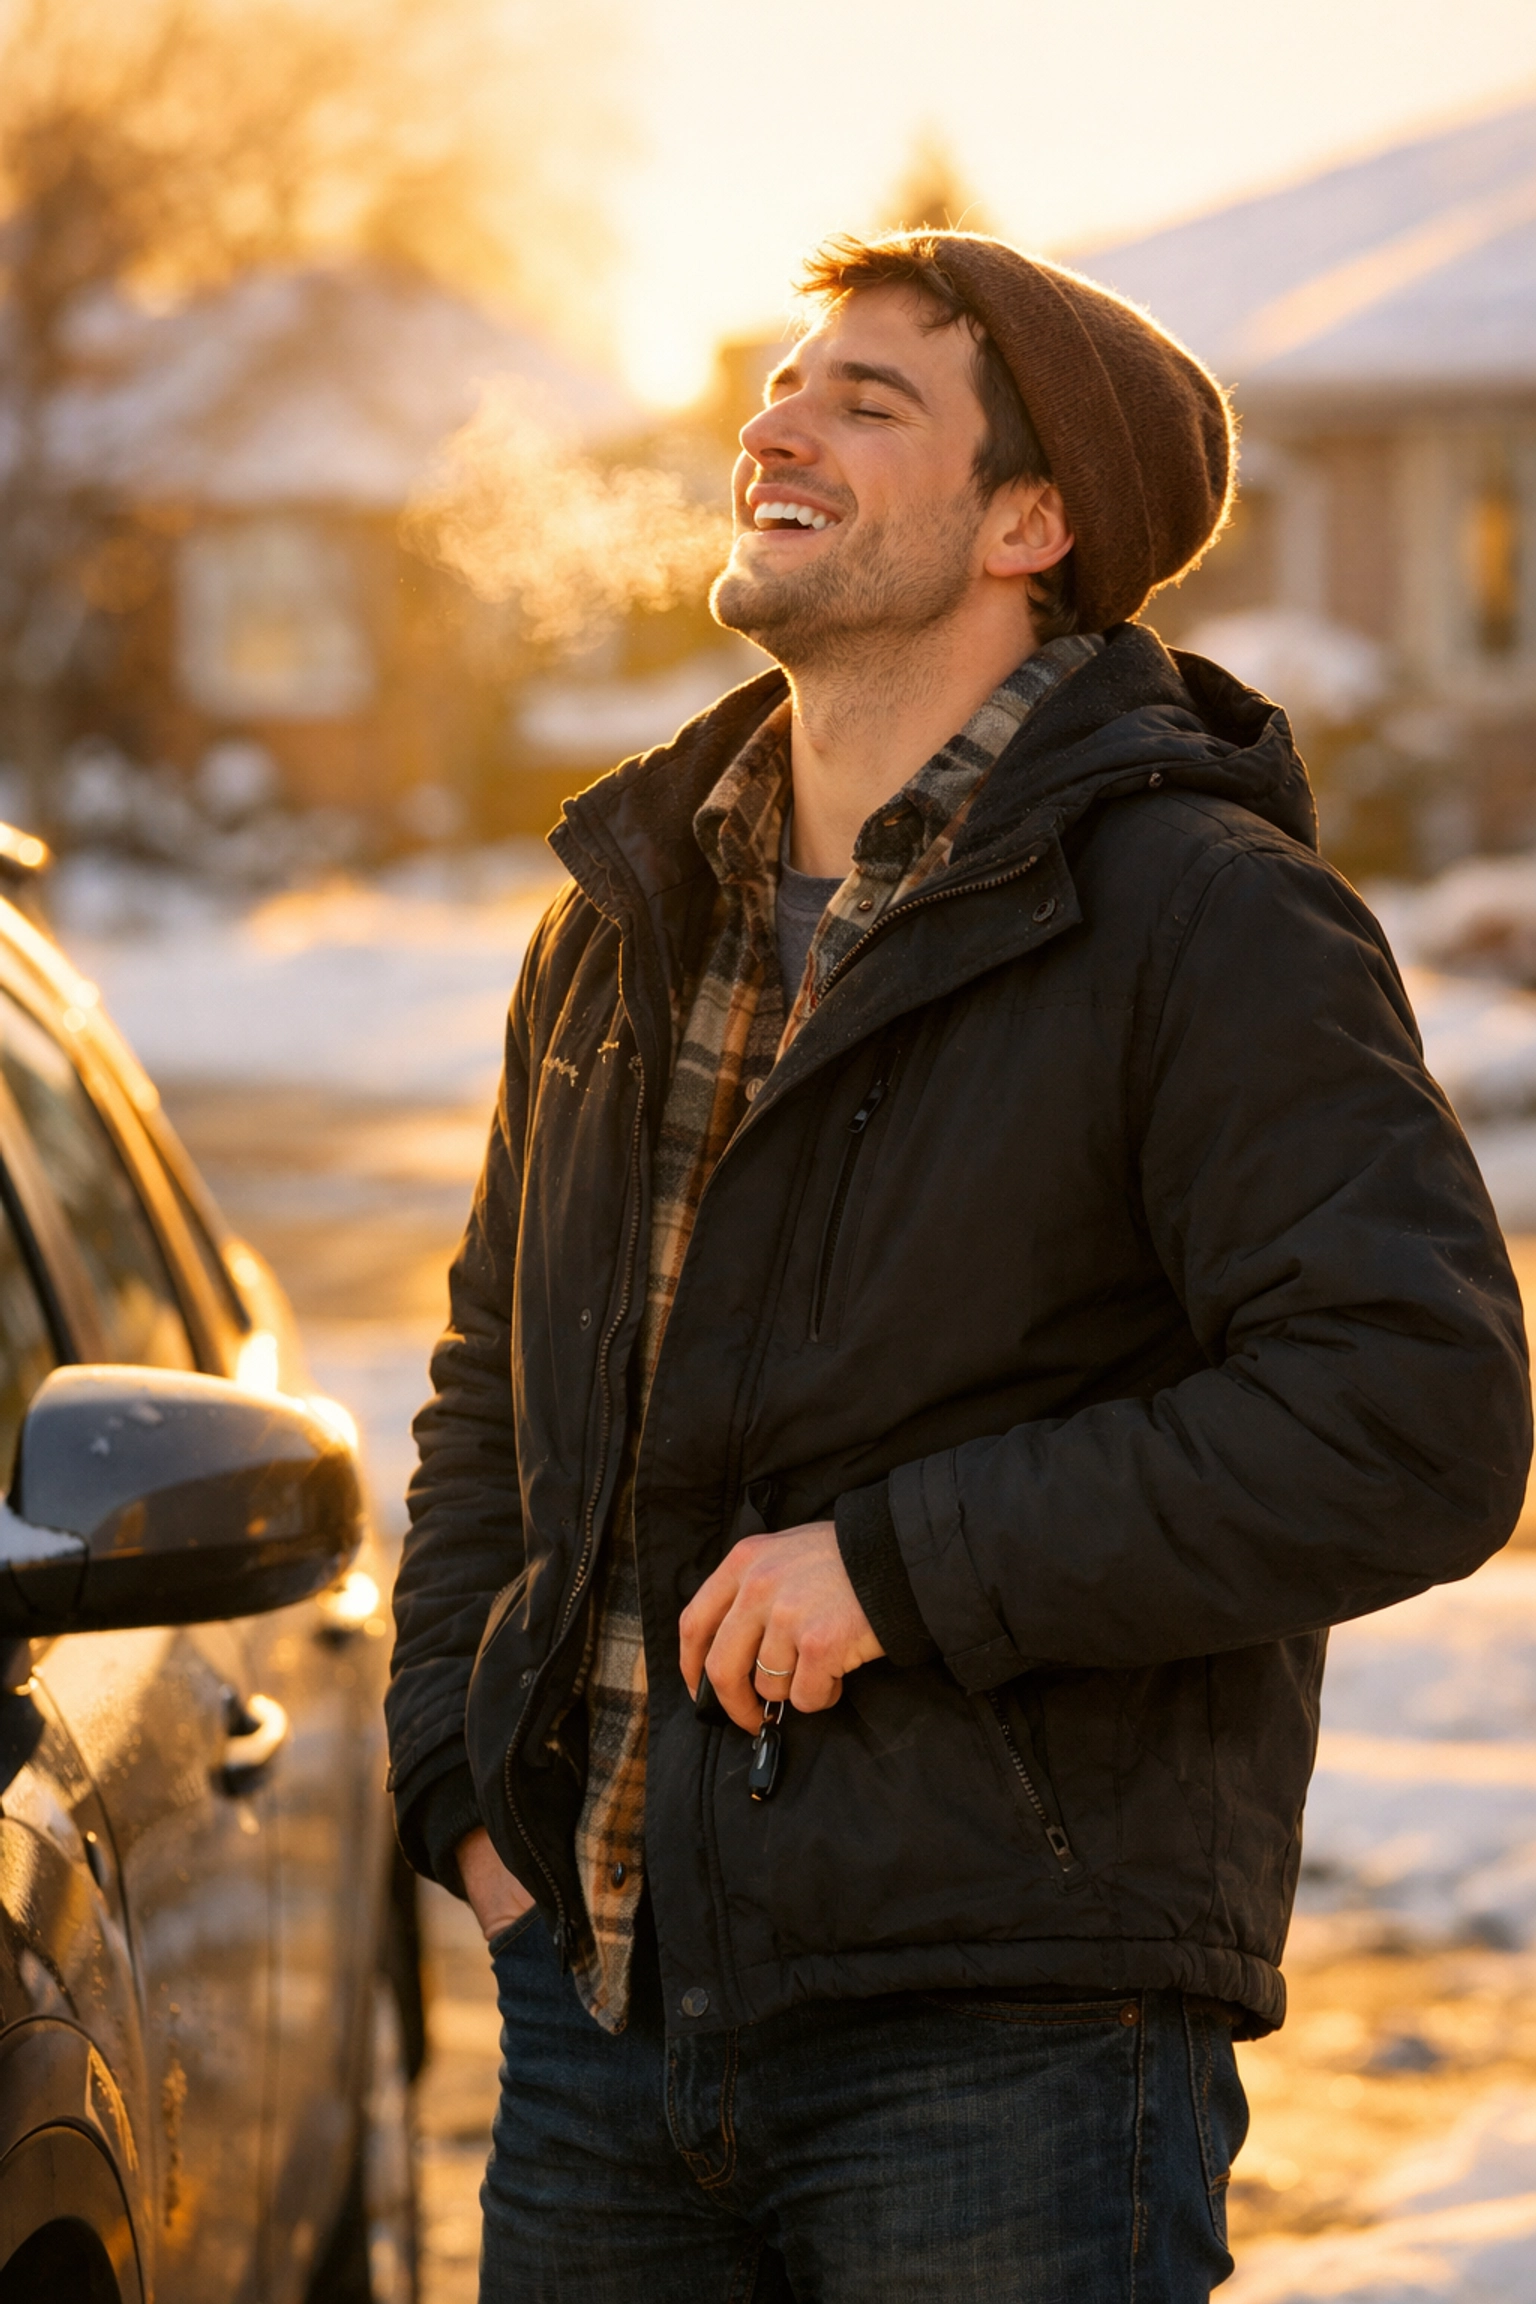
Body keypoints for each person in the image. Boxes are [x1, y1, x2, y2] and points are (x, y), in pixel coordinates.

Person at [386, 231, 1531, 2303]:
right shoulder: (624, 920)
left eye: (867, 399)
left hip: (1005, 2052)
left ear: (1034, 524)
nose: (774, 423)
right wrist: (469, 1801)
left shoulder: (1203, 919)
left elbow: (1411, 1410)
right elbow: (496, 1390)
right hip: (598, 2029)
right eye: (782, 381)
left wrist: (898, 1571)